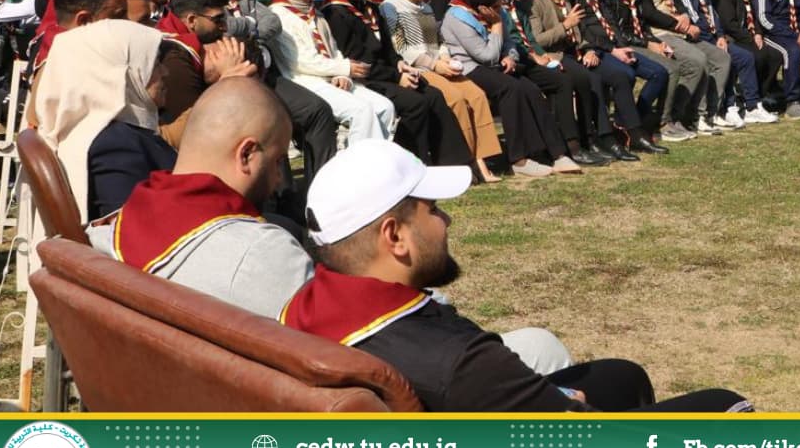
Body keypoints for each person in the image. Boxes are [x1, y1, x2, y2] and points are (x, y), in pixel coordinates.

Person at [284, 139, 752, 413]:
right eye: (434, 210)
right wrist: (561, 401)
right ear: (395, 236)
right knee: (725, 405)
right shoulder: (461, 361)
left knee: (622, 376)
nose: (447, 221)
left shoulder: (301, 310)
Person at [87, 78, 313, 319]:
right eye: (278, 161)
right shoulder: (266, 254)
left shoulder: (104, 233)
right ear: (246, 154)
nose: (279, 178)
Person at [190, 0, 339, 200]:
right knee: (268, 126)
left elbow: (272, 22)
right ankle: (281, 202)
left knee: (318, 111)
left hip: (266, 75)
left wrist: (246, 29)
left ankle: (322, 195)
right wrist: (249, 24)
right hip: (232, 82)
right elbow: (219, 30)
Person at [322, 0, 478, 175]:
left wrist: (399, 65)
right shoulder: (335, 13)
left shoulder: (369, 7)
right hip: (365, 79)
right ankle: (410, 168)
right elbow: (358, 60)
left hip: (386, 72)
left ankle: (454, 164)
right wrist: (397, 76)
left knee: (433, 95)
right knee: (415, 104)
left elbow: (389, 47)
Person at [34, 20, 175, 220]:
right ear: (119, 75)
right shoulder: (114, 144)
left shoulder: (102, 134)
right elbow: (132, 226)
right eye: (155, 63)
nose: (165, 72)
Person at [439, 0, 580, 177]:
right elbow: (486, 56)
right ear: (482, 7)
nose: (501, 9)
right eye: (497, 6)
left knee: (530, 89)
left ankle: (557, 153)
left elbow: (510, 42)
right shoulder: (457, 18)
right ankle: (519, 159)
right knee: (511, 89)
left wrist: (510, 56)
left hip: (497, 64)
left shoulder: (496, 12)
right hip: (470, 67)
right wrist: (496, 25)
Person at [382, 0, 505, 174]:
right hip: (417, 70)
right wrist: (435, 65)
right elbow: (403, 49)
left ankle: (484, 157)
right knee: (456, 98)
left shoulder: (425, 8)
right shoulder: (390, 8)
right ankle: (466, 162)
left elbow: (437, 42)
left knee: (476, 95)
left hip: (438, 65)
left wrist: (445, 57)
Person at [489, 0, 610, 168]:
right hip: (509, 61)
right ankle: (569, 146)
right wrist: (540, 50)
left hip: (536, 56)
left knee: (576, 78)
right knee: (565, 79)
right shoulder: (507, 3)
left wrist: (541, 54)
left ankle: (586, 140)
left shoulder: (518, 3)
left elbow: (528, 38)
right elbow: (522, 39)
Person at [523, 0, 642, 159]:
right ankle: (590, 139)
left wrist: (587, 49)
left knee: (611, 75)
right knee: (588, 79)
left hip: (576, 52)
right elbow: (537, 40)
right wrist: (565, 26)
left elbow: (579, 32)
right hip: (554, 56)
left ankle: (618, 135)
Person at [268, 0, 396, 143]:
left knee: (385, 107)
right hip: (306, 82)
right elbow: (301, 61)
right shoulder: (279, 16)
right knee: (361, 111)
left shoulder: (314, 13)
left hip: (331, 77)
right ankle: (358, 160)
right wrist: (344, 68)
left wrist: (343, 75)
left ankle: (378, 156)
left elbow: (334, 50)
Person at [563, 0, 667, 154]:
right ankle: (631, 132)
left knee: (659, 72)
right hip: (594, 49)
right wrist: (610, 49)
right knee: (623, 75)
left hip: (611, 46)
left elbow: (610, 23)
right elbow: (582, 30)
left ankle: (632, 121)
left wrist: (620, 46)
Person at [154, 0, 257, 145]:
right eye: (218, 19)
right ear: (192, 20)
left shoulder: (185, 48)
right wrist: (228, 80)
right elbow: (196, 128)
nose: (224, 27)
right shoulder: (173, 57)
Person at [628, 0, 710, 141]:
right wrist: (678, 24)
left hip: (677, 30)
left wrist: (684, 15)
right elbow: (649, 13)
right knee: (695, 62)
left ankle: (691, 115)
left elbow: (676, 3)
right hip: (660, 33)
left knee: (709, 59)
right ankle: (667, 119)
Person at [598, 0, 682, 141]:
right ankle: (643, 121)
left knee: (671, 65)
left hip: (641, 40)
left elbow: (642, 21)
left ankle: (639, 118)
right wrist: (647, 44)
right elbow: (617, 32)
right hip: (624, 45)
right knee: (663, 71)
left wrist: (656, 42)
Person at [669, 0, 747, 130]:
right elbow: (690, 13)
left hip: (710, 35)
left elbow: (711, 10)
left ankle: (714, 111)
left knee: (726, 58)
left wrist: (719, 35)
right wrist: (710, 37)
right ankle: (699, 114)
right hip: (692, 36)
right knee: (708, 59)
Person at [711, 0, 780, 123]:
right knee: (756, 55)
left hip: (749, 34)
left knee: (774, 55)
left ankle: (759, 96)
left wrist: (758, 33)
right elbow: (729, 23)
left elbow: (754, 13)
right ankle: (751, 103)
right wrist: (750, 39)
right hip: (734, 37)